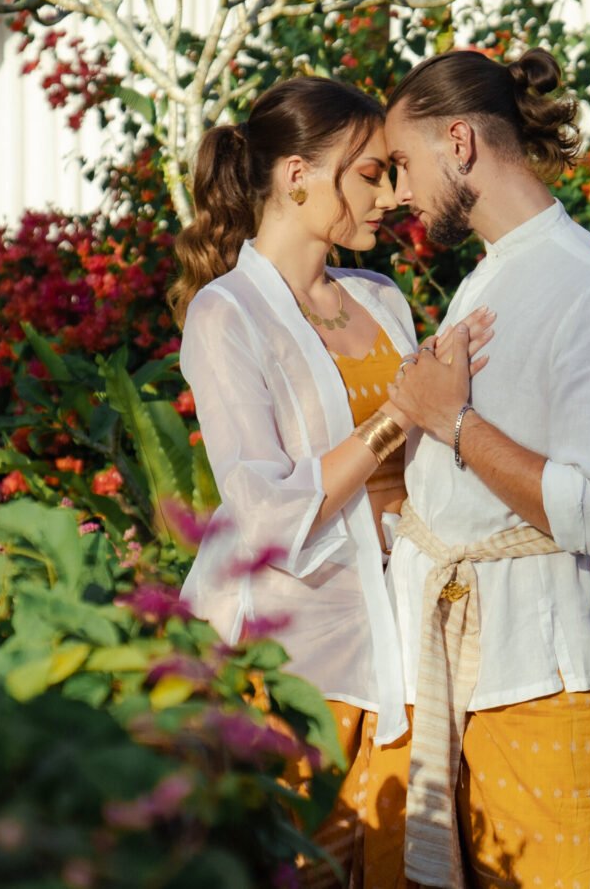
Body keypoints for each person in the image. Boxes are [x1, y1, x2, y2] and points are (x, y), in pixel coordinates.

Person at [169, 76, 493, 887]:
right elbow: (264, 511)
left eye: (390, 173)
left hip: (406, 641)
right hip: (297, 658)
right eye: (369, 174)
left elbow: (431, 464)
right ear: (296, 177)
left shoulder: (380, 299)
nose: (389, 196)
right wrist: (398, 413)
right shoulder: (226, 314)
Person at [379, 48, 590, 888]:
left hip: (541, 680)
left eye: (402, 162)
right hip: (457, 671)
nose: (396, 191)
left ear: (459, 141)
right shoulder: (489, 274)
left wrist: (451, 421)